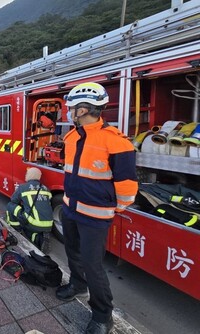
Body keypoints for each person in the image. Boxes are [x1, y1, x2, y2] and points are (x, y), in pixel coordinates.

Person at [57, 82, 138, 334]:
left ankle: (103, 315)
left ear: (82, 110)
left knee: (93, 265)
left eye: (71, 108)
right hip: (71, 209)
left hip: (96, 216)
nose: (69, 112)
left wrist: (114, 209)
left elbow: (126, 185)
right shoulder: (72, 137)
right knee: (73, 253)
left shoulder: (116, 142)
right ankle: (77, 285)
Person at [6, 167, 53, 253]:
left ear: (29, 175)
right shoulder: (46, 189)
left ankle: (17, 230)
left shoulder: (23, 187)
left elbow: (13, 200)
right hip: (49, 224)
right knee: (30, 227)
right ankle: (41, 236)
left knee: (10, 206)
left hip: (34, 223)